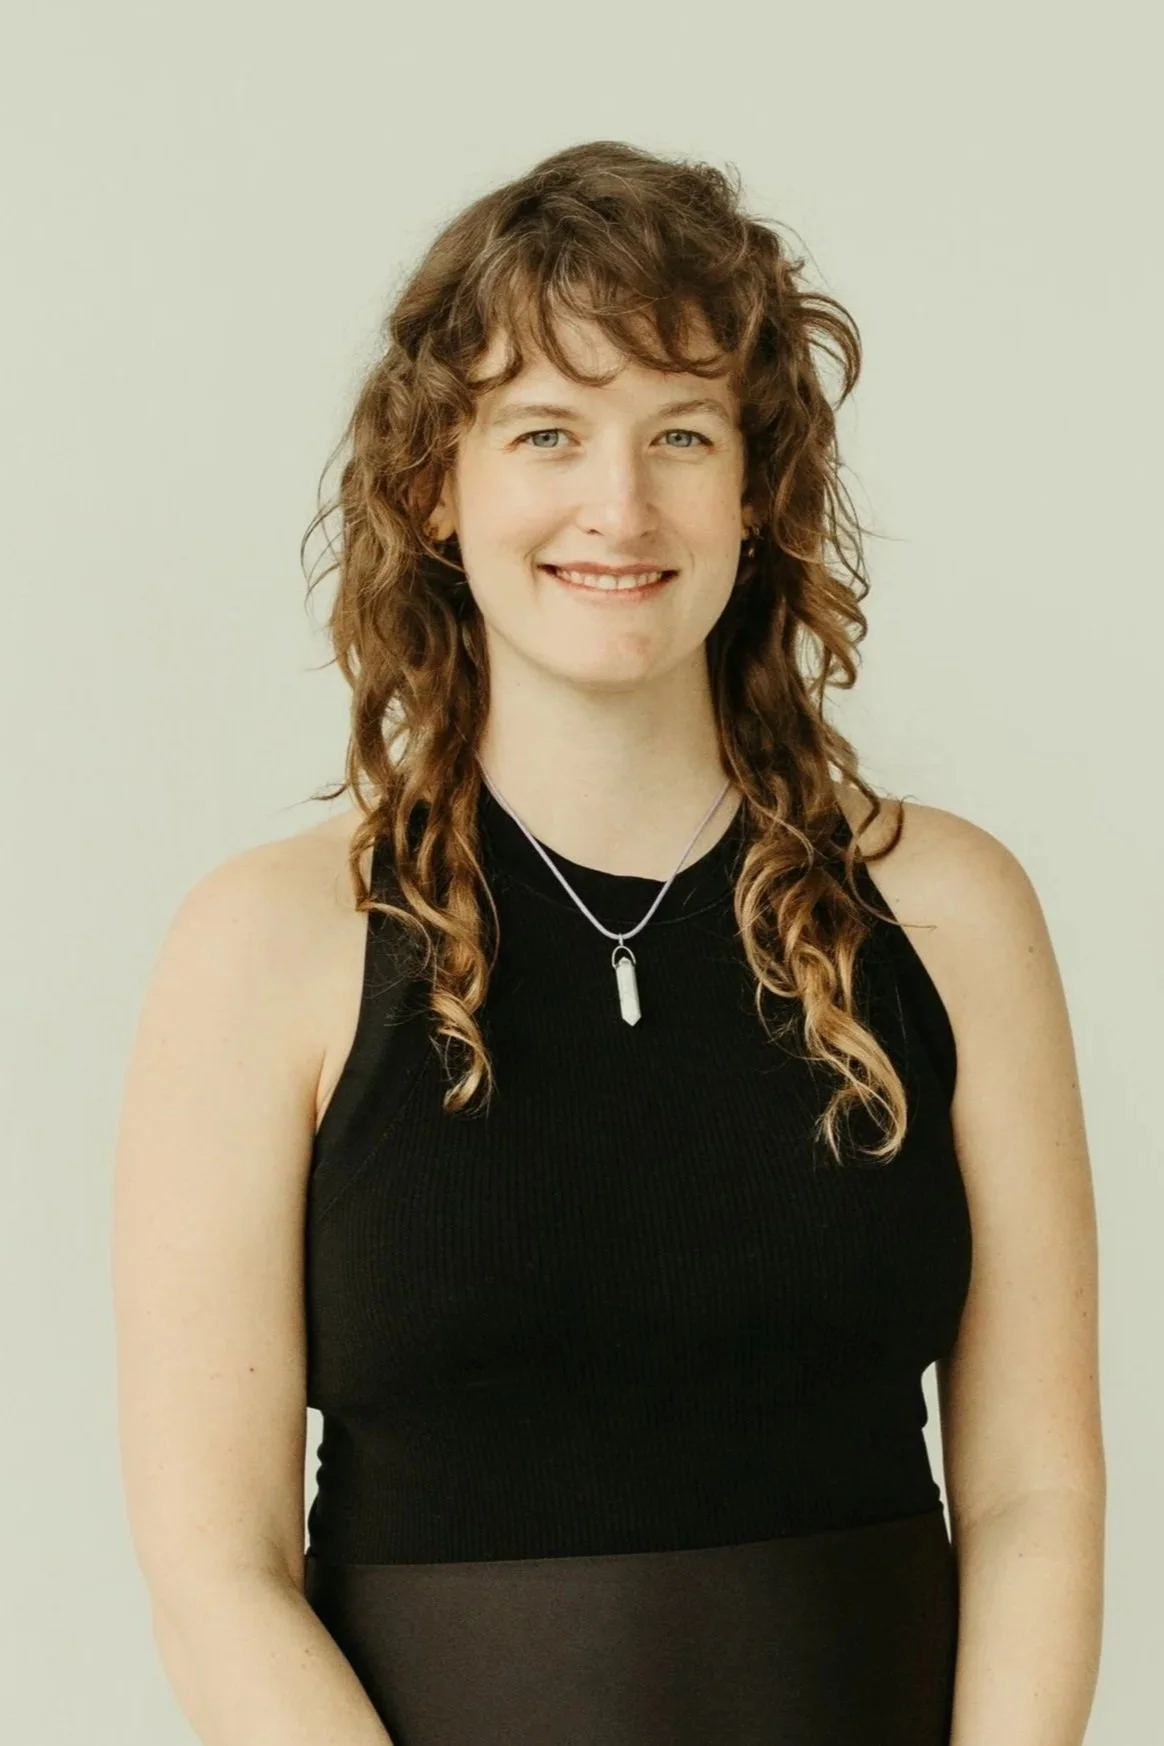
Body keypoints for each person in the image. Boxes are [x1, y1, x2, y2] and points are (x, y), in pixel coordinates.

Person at [112, 141, 1105, 1746]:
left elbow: (1036, 1491)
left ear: (757, 487)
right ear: (439, 483)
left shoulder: (952, 914)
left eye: (683, 434)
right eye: (548, 433)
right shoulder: (264, 949)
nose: (619, 505)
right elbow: (217, 1568)